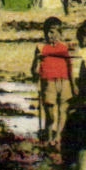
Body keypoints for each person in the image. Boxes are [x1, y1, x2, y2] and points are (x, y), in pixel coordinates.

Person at [30, 16, 73, 144]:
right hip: (48, 81)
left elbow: (70, 66)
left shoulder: (64, 47)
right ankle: (49, 135)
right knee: (50, 113)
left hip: (64, 81)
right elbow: (33, 70)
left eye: (53, 32)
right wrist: (37, 60)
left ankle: (58, 136)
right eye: (47, 32)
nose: (49, 35)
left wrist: (73, 84)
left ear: (60, 33)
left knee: (63, 110)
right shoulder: (40, 48)